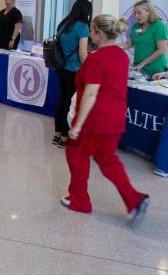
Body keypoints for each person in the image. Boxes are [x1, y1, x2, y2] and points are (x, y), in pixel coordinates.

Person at [61, 14, 149, 221]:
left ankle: (79, 201)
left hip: (95, 119)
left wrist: (77, 125)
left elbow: (91, 94)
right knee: (107, 159)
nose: (89, 35)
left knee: (76, 154)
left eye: (91, 31)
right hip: (115, 118)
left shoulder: (96, 59)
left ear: (100, 34)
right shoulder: (121, 56)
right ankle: (134, 199)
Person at [53, 0, 92, 148]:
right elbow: (83, 54)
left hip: (61, 68)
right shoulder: (83, 26)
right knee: (70, 104)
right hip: (74, 70)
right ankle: (64, 136)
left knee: (62, 100)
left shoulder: (64, 23)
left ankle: (57, 133)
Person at [119, 0, 168, 76]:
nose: (136, 16)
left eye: (139, 13)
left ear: (149, 12)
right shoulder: (136, 26)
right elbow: (128, 44)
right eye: (135, 13)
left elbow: (162, 50)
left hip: (155, 70)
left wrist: (142, 64)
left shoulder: (158, 25)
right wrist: (112, 46)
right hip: (139, 68)